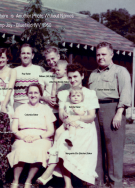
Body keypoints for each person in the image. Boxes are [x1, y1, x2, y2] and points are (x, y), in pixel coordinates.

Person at [37, 63, 99, 187]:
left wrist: (76, 118)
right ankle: (67, 183)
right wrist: (66, 120)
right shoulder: (64, 94)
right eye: (70, 77)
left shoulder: (90, 93)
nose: (72, 80)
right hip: (68, 126)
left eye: (75, 77)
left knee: (62, 144)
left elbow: (92, 116)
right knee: (63, 141)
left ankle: (51, 172)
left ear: (82, 76)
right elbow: (61, 114)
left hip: (85, 128)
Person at [89, 42, 132, 187]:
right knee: (96, 149)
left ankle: (115, 184)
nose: (100, 57)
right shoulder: (93, 74)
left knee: (114, 150)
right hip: (94, 111)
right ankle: (98, 182)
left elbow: (126, 93)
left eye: (103, 54)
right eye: (98, 55)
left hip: (113, 109)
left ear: (111, 55)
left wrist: (119, 113)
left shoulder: (120, 71)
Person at [7, 83, 55, 188]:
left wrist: (39, 137)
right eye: (30, 93)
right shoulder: (20, 108)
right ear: (27, 94)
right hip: (23, 136)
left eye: (36, 93)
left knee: (40, 149)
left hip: (41, 137)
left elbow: (51, 130)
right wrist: (23, 137)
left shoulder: (46, 109)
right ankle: (15, 180)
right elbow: (14, 128)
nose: (33, 95)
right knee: (21, 149)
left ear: (40, 94)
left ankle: (28, 181)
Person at [13, 43, 45, 110]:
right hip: (18, 105)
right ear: (20, 55)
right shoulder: (14, 70)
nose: (25, 55)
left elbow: (44, 90)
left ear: (32, 55)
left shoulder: (40, 69)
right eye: (23, 53)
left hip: (35, 105)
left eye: (28, 53)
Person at [40, 46, 62, 129]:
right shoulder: (44, 75)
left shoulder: (67, 73)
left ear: (58, 57)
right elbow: (39, 94)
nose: (51, 62)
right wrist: (46, 99)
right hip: (49, 111)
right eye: (48, 60)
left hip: (63, 111)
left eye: (53, 58)